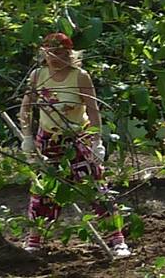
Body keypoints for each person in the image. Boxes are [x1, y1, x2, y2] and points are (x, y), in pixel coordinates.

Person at [19, 32, 132, 259]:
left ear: (69, 55)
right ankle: (35, 239)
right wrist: (28, 137)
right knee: (43, 190)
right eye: (49, 53)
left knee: (96, 188)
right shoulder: (37, 76)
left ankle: (116, 240)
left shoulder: (80, 77)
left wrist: (97, 141)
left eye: (59, 53)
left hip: (78, 138)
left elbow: (92, 109)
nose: (54, 57)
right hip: (48, 140)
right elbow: (26, 108)